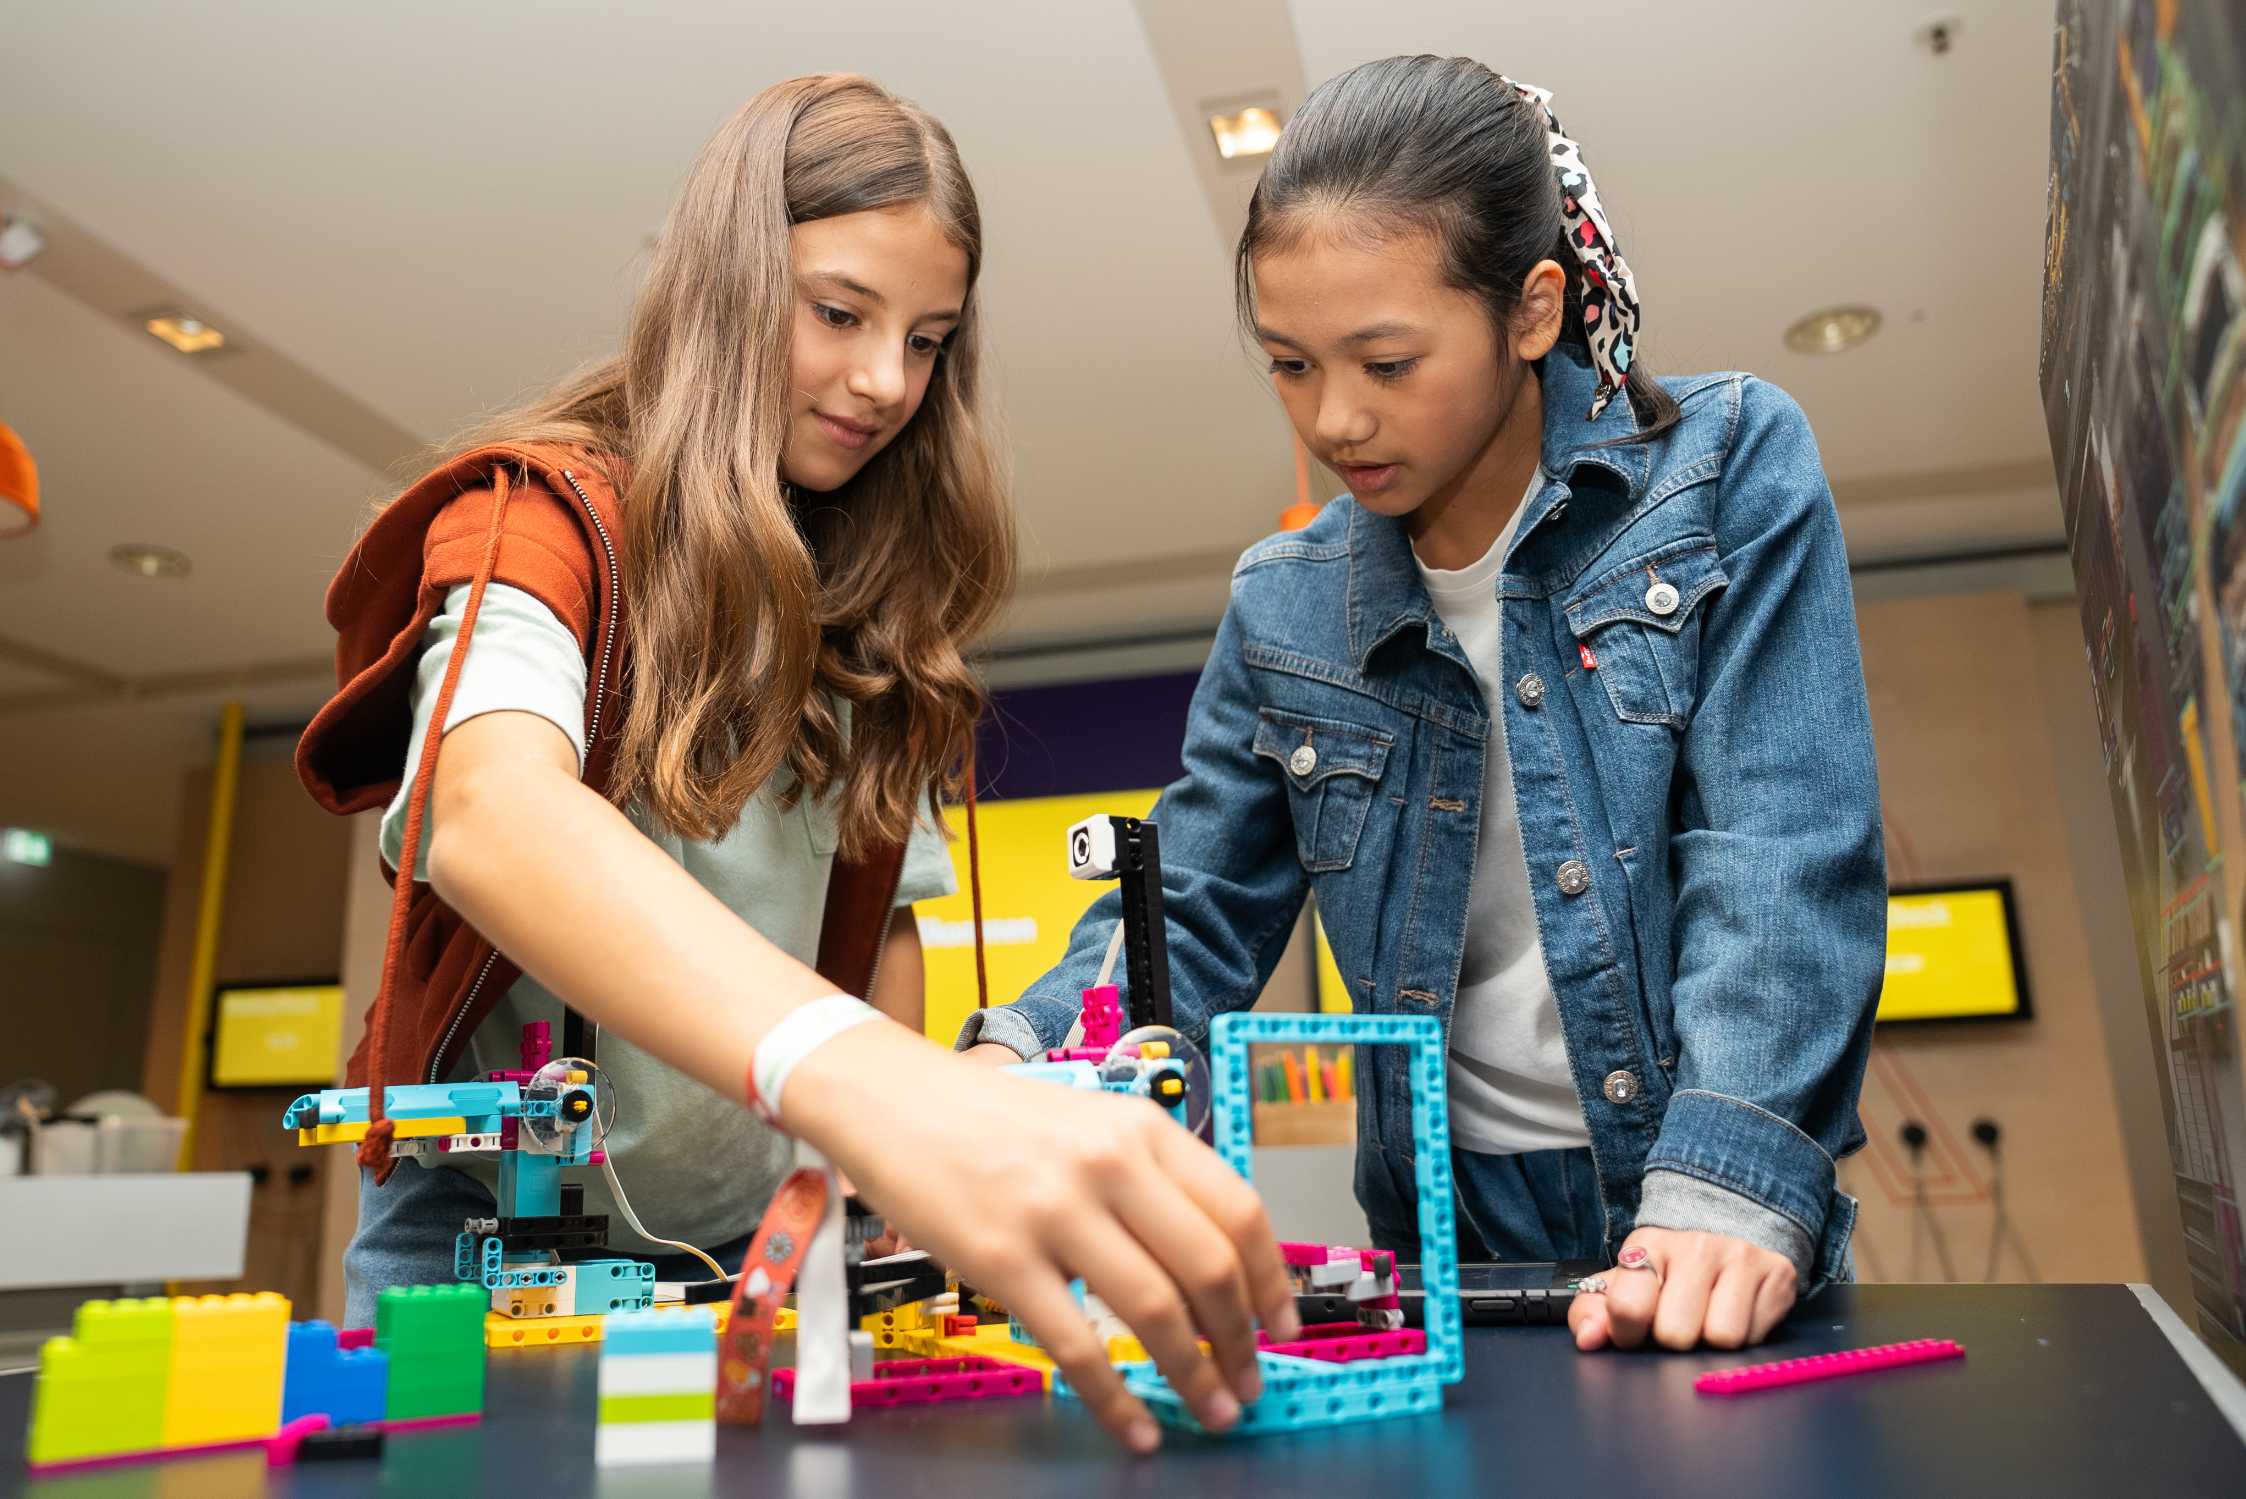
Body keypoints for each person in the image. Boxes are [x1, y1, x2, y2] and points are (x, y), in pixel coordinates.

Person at [297, 73, 1291, 1450]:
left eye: (927, 339)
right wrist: (878, 1087)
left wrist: (861, 1165)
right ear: (722, 282)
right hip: (486, 1245)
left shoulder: (876, 599)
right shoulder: (535, 529)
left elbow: (880, 926)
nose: (886, 382)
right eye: (838, 313)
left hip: (764, 1243)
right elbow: (486, 809)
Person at [962, 55, 1886, 1354]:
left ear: (1530, 310)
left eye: (1386, 362)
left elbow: (1781, 846)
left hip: (1695, 1186)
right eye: (1288, 364)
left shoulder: (1724, 472)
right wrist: (1021, 1074)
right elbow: (1191, 915)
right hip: (1436, 1229)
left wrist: (1727, 1182)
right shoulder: (1286, 605)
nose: (1335, 418)